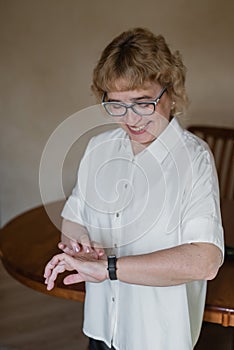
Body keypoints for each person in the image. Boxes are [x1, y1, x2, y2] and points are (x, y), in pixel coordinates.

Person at [44, 28, 224, 350]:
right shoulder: (99, 148)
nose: (130, 119)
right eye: (116, 104)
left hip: (158, 336)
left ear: (171, 92)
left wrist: (108, 269)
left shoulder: (194, 158)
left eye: (143, 103)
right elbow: (74, 217)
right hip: (102, 327)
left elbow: (205, 261)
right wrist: (78, 246)